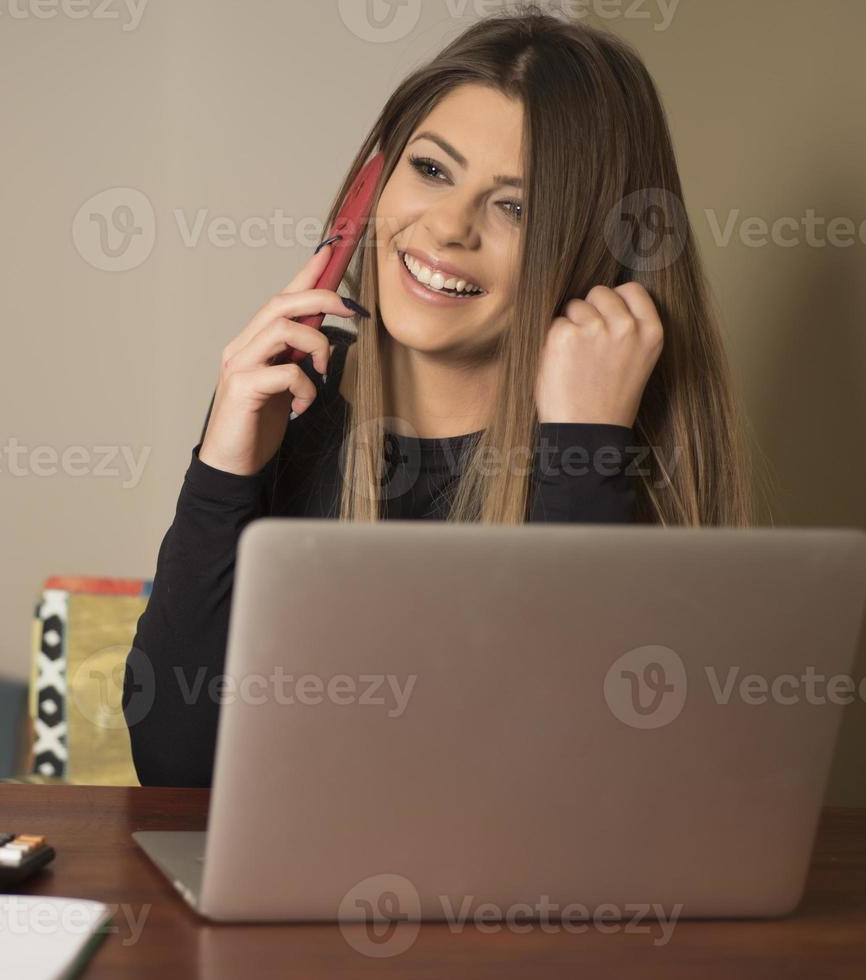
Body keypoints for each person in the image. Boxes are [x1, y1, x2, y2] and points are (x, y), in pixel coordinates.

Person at [125, 7, 759, 788]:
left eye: (516, 206)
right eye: (431, 170)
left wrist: (583, 455)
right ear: (374, 184)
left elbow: (578, 789)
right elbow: (175, 772)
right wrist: (225, 465)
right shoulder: (287, 400)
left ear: (594, 250)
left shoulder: (613, 450)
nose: (449, 227)